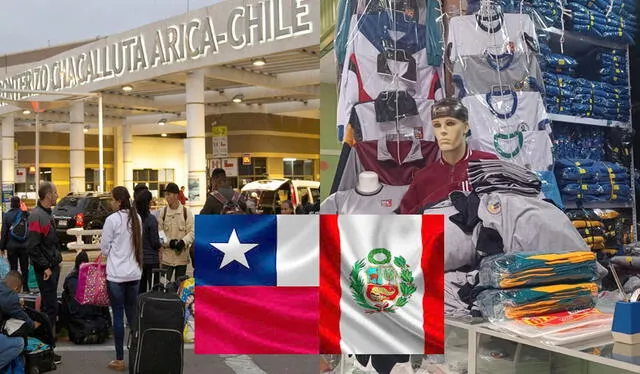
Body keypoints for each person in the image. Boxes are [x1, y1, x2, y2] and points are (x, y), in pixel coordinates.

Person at [398, 98, 498, 214]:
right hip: (437, 231)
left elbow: (504, 212)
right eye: (437, 125)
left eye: (450, 123)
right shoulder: (422, 178)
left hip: (481, 230)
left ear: (465, 127)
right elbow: (409, 222)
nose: (443, 131)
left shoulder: (488, 164)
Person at [100, 186, 143, 371]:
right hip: (134, 273)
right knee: (132, 315)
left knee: (118, 315)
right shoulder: (137, 218)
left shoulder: (112, 220)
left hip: (116, 275)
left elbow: (104, 248)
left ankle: (119, 359)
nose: (111, 202)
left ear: (118, 201)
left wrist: (112, 253)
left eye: (112, 199)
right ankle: (136, 355)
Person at [26, 182, 62, 364]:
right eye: (55, 192)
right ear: (48, 195)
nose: (57, 195)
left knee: (51, 307)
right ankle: (47, 349)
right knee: (49, 309)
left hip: (52, 266)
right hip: (46, 269)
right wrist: (45, 266)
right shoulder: (36, 216)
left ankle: (48, 347)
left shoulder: (47, 213)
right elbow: (32, 246)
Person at [60, 251, 111, 343]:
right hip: (94, 313)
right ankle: (109, 327)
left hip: (77, 314)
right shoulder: (94, 277)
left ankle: (64, 330)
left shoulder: (71, 277)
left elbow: (66, 288)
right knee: (101, 293)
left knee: (64, 295)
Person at [0, 271, 37, 371]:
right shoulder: (9, 297)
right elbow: (24, 319)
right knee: (18, 343)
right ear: (16, 288)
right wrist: (34, 325)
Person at [157, 183, 194, 282]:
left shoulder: (186, 213)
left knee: (180, 289)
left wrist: (183, 242)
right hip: (166, 259)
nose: (166, 197)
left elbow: (192, 232)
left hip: (181, 258)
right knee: (163, 286)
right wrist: (169, 242)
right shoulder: (163, 212)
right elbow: (160, 234)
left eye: (169, 194)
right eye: (166, 194)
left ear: (176, 195)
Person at [0, 197, 29, 291]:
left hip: (11, 247)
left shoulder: (7, 215)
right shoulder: (25, 214)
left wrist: (2, 247)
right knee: (25, 267)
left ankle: (14, 288)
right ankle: (25, 287)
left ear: (11, 204)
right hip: (24, 246)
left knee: (13, 268)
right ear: (19, 204)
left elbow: (3, 232)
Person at [135, 190, 161, 293]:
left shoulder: (135, 219)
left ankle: (140, 308)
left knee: (140, 290)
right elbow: (154, 242)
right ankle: (153, 309)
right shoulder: (151, 219)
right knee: (154, 290)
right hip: (152, 260)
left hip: (139, 260)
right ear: (148, 202)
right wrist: (161, 245)